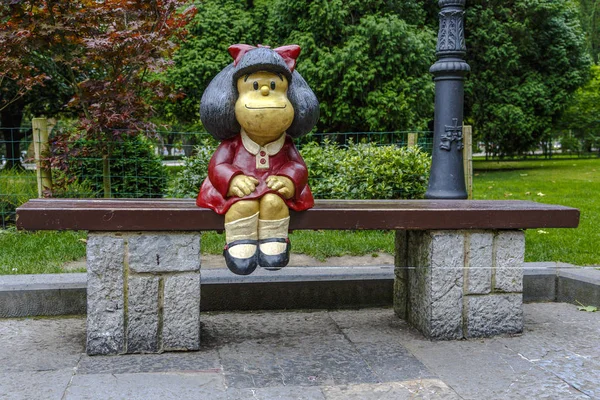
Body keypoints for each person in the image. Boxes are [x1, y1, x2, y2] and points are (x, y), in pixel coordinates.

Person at [197, 44, 319, 275]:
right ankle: (239, 241)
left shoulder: (286, 144)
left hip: (275, 191)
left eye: (274, 86)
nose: (265, 92)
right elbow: (218, 166)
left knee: (274, 203)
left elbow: (298, 165)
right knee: (243, 205)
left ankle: (274, 239)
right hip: (241, 193)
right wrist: (231, 180)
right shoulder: (233, 144)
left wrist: (290, 179)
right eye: (254, 85)